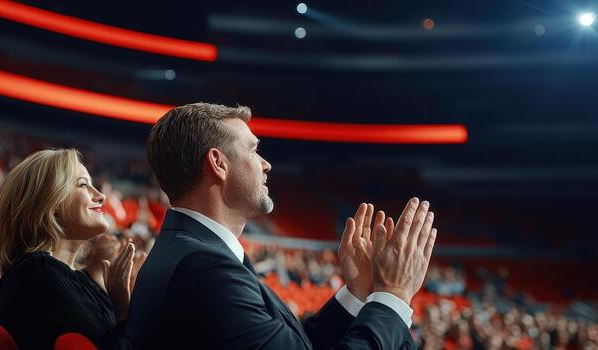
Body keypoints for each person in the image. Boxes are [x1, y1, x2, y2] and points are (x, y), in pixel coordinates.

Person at [126, 103, 437, 349]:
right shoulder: (204, 268)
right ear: (218, 164)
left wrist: (357, 292)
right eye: (253, 149)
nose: (266, 163)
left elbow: (290, 343)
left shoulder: (194, 254)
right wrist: (393, 295)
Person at [0, 149, 134, 350]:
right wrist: (123, 311)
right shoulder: (37, 272)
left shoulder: (60, 274)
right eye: (84, 185)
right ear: (51, 200)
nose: (100, 195)